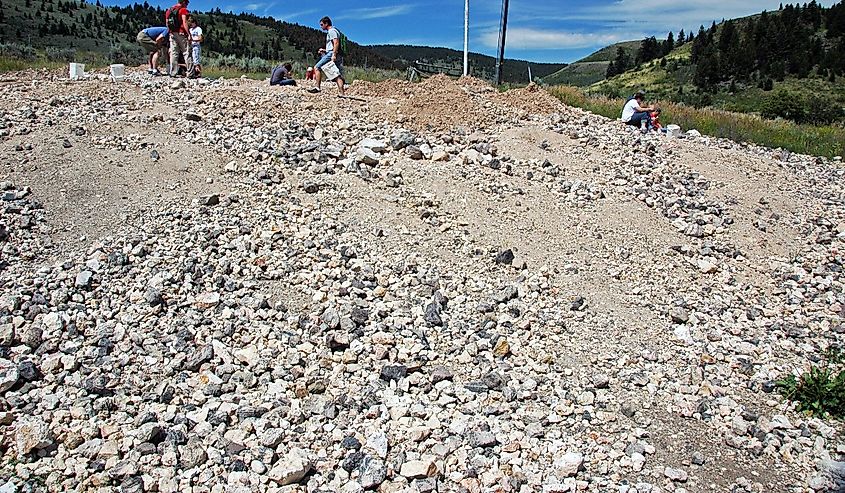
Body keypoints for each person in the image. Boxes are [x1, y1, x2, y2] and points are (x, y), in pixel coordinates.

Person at [308, 16, 345, 95]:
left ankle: (317, 87)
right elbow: (333, 45)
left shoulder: (331, 31)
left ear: (326, 23)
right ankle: (342, 93)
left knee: (317, 67)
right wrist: (324, 50)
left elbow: (336, 43)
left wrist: (333, 54)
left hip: (332, 53)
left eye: (322, 25)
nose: (321, 26)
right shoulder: (335, 30)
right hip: (334, 53)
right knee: (336, 74)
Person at [166, 0, 194, 78]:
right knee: (187, 52)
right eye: (187, 2)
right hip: (181, 33)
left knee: (174, 53)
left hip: (172, 34)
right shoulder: (183, 10)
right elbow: (184, 22)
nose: (188, 4)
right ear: (184, 2)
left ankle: (173, 72)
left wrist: (170, 32)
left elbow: (167, 23)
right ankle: (190, 73)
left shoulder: (169, 10)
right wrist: (188, 34)